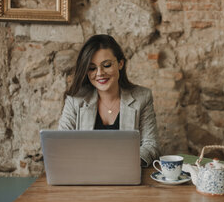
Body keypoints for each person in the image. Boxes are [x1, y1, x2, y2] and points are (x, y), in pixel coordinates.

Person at [58, 34, 159, 167]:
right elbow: (61, 145)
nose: (99, 73)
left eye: (106, 65)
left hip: (125, 172)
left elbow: (151, 145)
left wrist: (123, 162)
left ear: (120, 64)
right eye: (92, 68)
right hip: (85, 173)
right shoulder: (74, 100)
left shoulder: (142, 97)